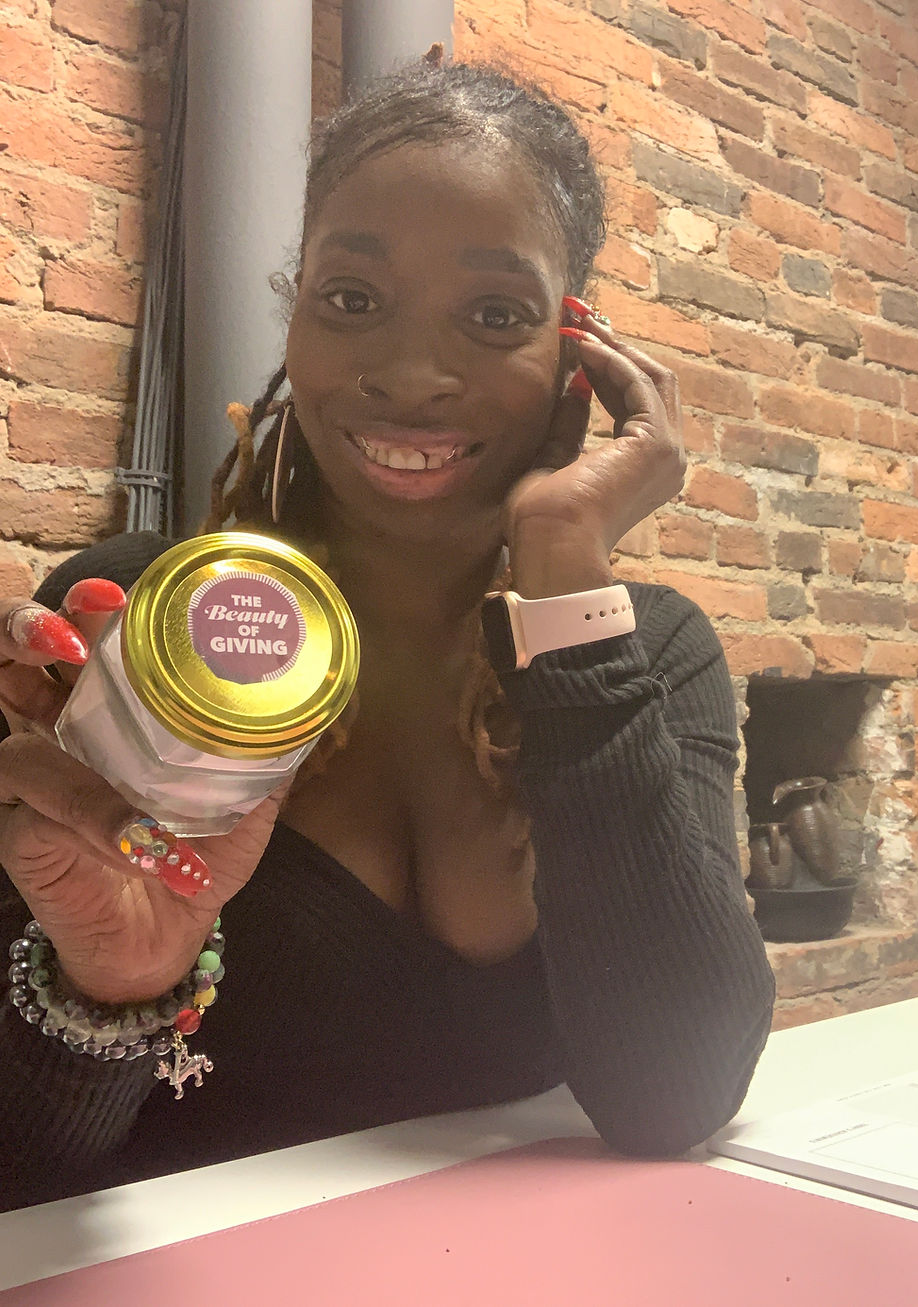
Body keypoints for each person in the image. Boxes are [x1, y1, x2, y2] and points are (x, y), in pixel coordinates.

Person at [0, 62, 773, 1211]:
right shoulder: (140, 623)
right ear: (296, 312)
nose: (410, 376)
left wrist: (563, 576)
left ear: (582, 354)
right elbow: (25, 1169)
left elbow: (674, 1093)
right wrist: (105, 984)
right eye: (351, 298)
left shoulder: (640, 650)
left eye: (495, 315)